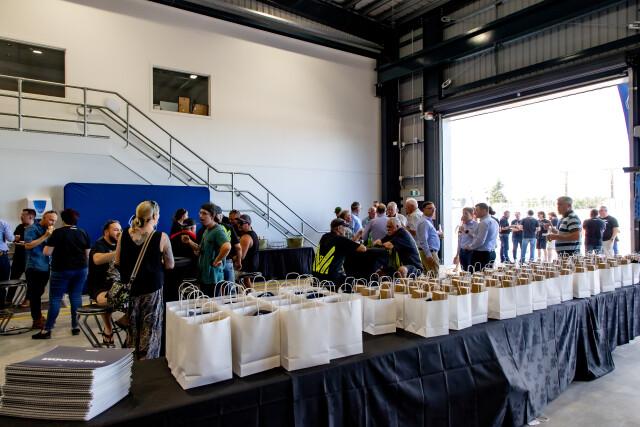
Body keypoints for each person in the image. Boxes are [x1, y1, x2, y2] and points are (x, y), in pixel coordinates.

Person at [116, 200, 174, 360]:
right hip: (152, 290)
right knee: (150, 330)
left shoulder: (124, 234)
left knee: (132, 329)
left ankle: (132, 363)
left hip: (131, 290)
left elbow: (118, 261)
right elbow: (170, 264)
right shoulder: (161, 237)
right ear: (154, 216)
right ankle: (147, 365)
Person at [32, 209, 91, 339]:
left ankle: (47, 330)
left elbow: (47, 252)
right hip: (80, 269)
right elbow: (87, 254)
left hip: (61, 269)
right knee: (76, 296)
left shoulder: (57, 233)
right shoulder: (83, 232)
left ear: (63, 220)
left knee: (55, 299)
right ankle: (75, 326)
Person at [87, 219, 122, 345]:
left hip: (117, 284)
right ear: (106, 232)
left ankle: (123, 321)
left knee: (139, 299)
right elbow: (97, 259)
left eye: (120, 230)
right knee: (107, 300)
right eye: (115, 230)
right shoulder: (100, 245)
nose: (119, 232)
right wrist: (117, 252)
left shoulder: (119, 244)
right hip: (99, 285)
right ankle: (108, 328)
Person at [186, 203, 230, 296]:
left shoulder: (218, 230)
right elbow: (200, 249)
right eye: (200, 213)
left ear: (212, 216)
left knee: (212, 303)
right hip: (204, 277)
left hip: (213, 279)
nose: (201, 216)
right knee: (206, 302)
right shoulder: (207, 231)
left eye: (204, 213)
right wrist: (189, 241)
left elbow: (227, 247)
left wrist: (217, 260)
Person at [24, 210, 57, 330]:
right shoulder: (32, 229)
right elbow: (28, 245)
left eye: (54, 221)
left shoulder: (48, 230)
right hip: (34, 266)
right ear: (43, 218)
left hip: (45, 265)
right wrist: (45, 237)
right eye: (51, 220)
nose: (52, 222)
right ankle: (36, 319)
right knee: (35, 294)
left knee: (39, 292)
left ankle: (38, 317)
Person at [312, 218, 366, 288]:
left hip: (317, 275)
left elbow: (348, 243)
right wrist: (358, 239)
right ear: (339, 228)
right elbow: (363, 249)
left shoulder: (325, 236)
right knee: (356, 283)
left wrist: (358, 235)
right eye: (345, 227)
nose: (346, 230)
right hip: (331, 276)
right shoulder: (340, 239)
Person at [467, 203, 498, 271]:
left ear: (483, 211)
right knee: (487, 274)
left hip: (482, 254)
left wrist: (471, 246)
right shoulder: (494, 221)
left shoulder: (484, 222)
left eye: (477, 210)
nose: (475, 213)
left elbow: (480, 240)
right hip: (491, 252)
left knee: (477, 275)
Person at [235, 214, 259, 289]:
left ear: (248, 224)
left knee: (231, 278)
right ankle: (249, 294)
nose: (238, 225)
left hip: (247, 267)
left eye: (241, 223)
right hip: (253, 265)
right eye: (238, 223)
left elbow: (241, 256)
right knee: (246, 281)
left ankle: (239, 294)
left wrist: (230, 259)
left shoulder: (246, 237)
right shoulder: (253, 234)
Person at [413, 212, 439, 277]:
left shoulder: (426, 221)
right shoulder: (424, 222)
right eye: (431, 209)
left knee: (429, 276)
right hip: (429, 252)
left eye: (434, 209)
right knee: (433, 277)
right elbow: (423, 240)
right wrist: (428, 255)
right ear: (425, 210)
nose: (433, 211)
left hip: (427, 251)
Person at [454, 207, 478, 272]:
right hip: (462, 252)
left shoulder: (476, 225)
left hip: (471, 252)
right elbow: (460, 240)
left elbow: (476, 238)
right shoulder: (463, 225)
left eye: (466, 213)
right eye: (463, 213)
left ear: (472, 214)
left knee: (471, 271)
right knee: (464, 272)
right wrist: (457, 254)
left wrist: (466, 231)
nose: (464, 215)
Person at [0, 218, 15, 311]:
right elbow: (11, 238)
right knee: (2, 283)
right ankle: (1, 309)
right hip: (1, 256)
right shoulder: (2, 223)